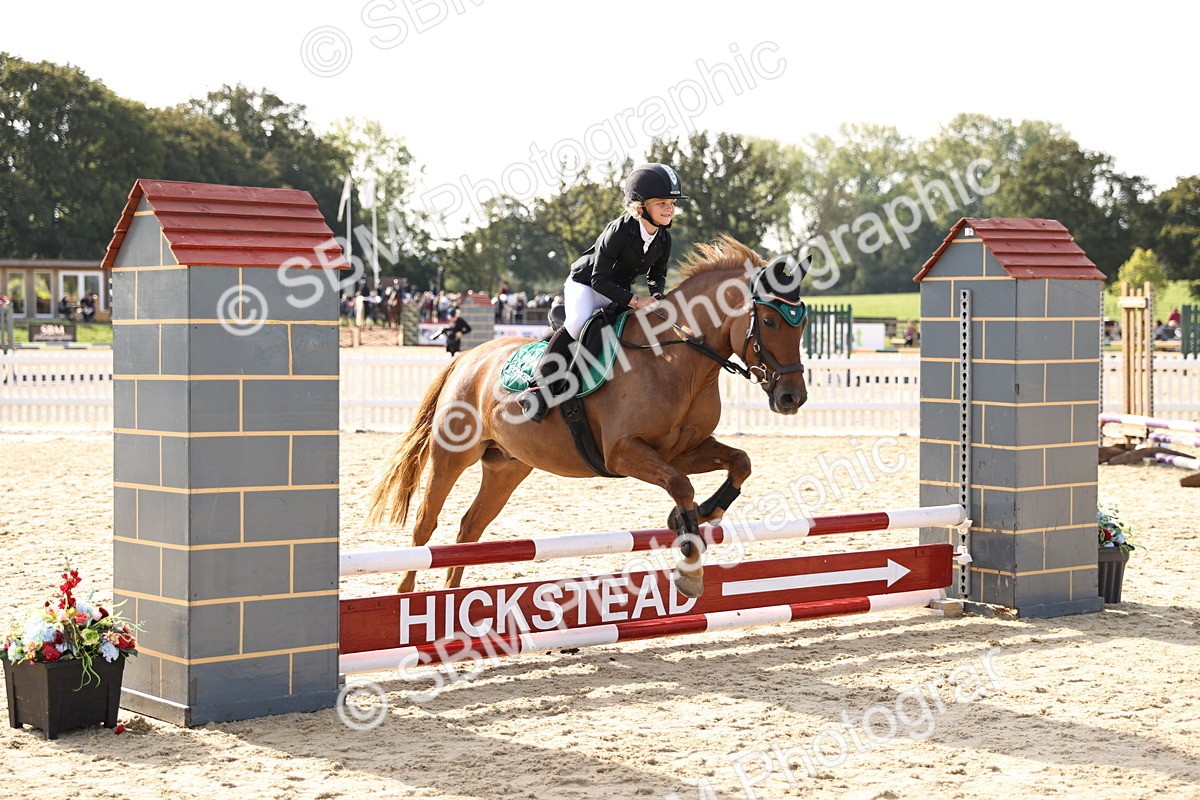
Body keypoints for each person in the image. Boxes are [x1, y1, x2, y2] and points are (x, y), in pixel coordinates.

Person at [517, 163, 686, 423]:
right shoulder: (619, 230)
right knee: (578, 324)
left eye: (671, 203)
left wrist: (657, 295)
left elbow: (657, 274)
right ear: (641, 207)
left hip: (617, 290)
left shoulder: (663, 238)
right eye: (661, 203)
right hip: (586, 284)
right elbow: (598, 279)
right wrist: (636, 300)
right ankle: (537, 387)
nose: (669, 209)